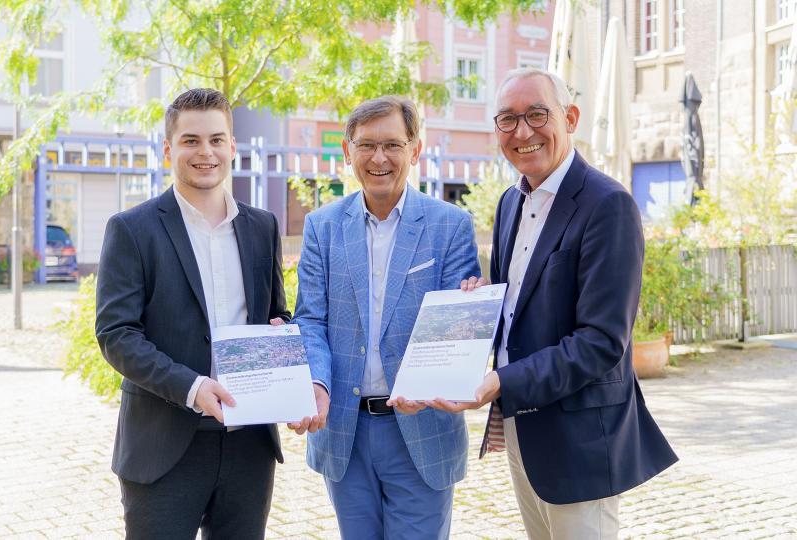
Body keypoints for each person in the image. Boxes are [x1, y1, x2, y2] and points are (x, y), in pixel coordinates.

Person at [428, 68, 678, 539]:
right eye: (507, 119)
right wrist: (480, 303)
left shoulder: (608, 204)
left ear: (571, 118)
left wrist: (499, 380)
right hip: (524, 427)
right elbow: (517, 308)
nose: (522, 132)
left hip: (582, 440)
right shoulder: (509, 202)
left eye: (537, 114)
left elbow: (601, 342)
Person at [95, 88, 290, 539]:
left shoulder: (262, 227)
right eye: (191, 140)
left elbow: (276, 312)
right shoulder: (132, 229)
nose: (206, 152)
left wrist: (285, 343)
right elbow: (116, 333)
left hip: (249, 443)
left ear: (232, 147)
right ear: (168, 149)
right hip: (163, 444)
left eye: (217, 140)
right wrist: (193, 387)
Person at [292, 96, 481, 539]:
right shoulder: (322, 226)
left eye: (393, 145)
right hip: (344, 429)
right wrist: (317, 383)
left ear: (415, 150)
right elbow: (311, 320)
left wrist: (468, 314)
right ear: (347, 150)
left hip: (421, 427)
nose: (379, 158)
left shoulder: (450, 225)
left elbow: (456, 329)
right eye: (367, 145)